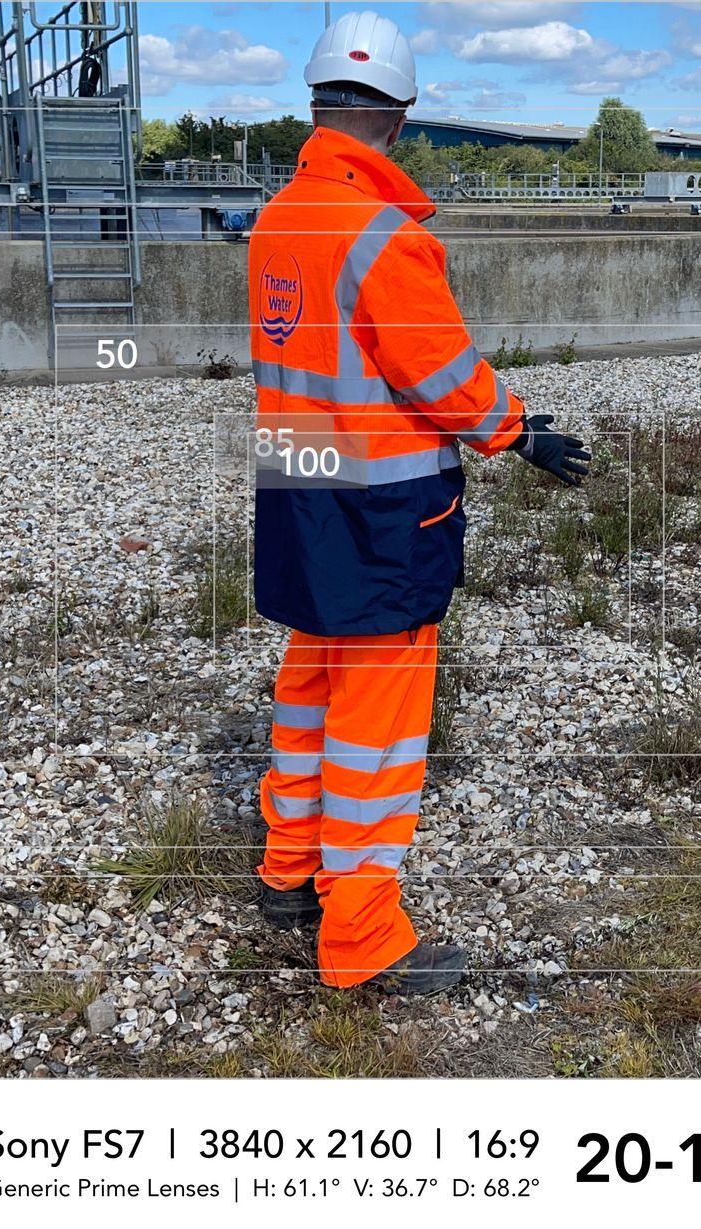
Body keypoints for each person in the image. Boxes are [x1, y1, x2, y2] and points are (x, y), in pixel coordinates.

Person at [243, 10, 590, 995]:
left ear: (317, 102)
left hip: (301, 482)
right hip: (384, 507)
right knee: (377, 724)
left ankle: (287, 873)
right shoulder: (384, 235)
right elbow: (437, 373)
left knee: (310, 682)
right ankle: (359, 937)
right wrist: (516, 427)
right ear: (400, 114)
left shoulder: (278, 218)